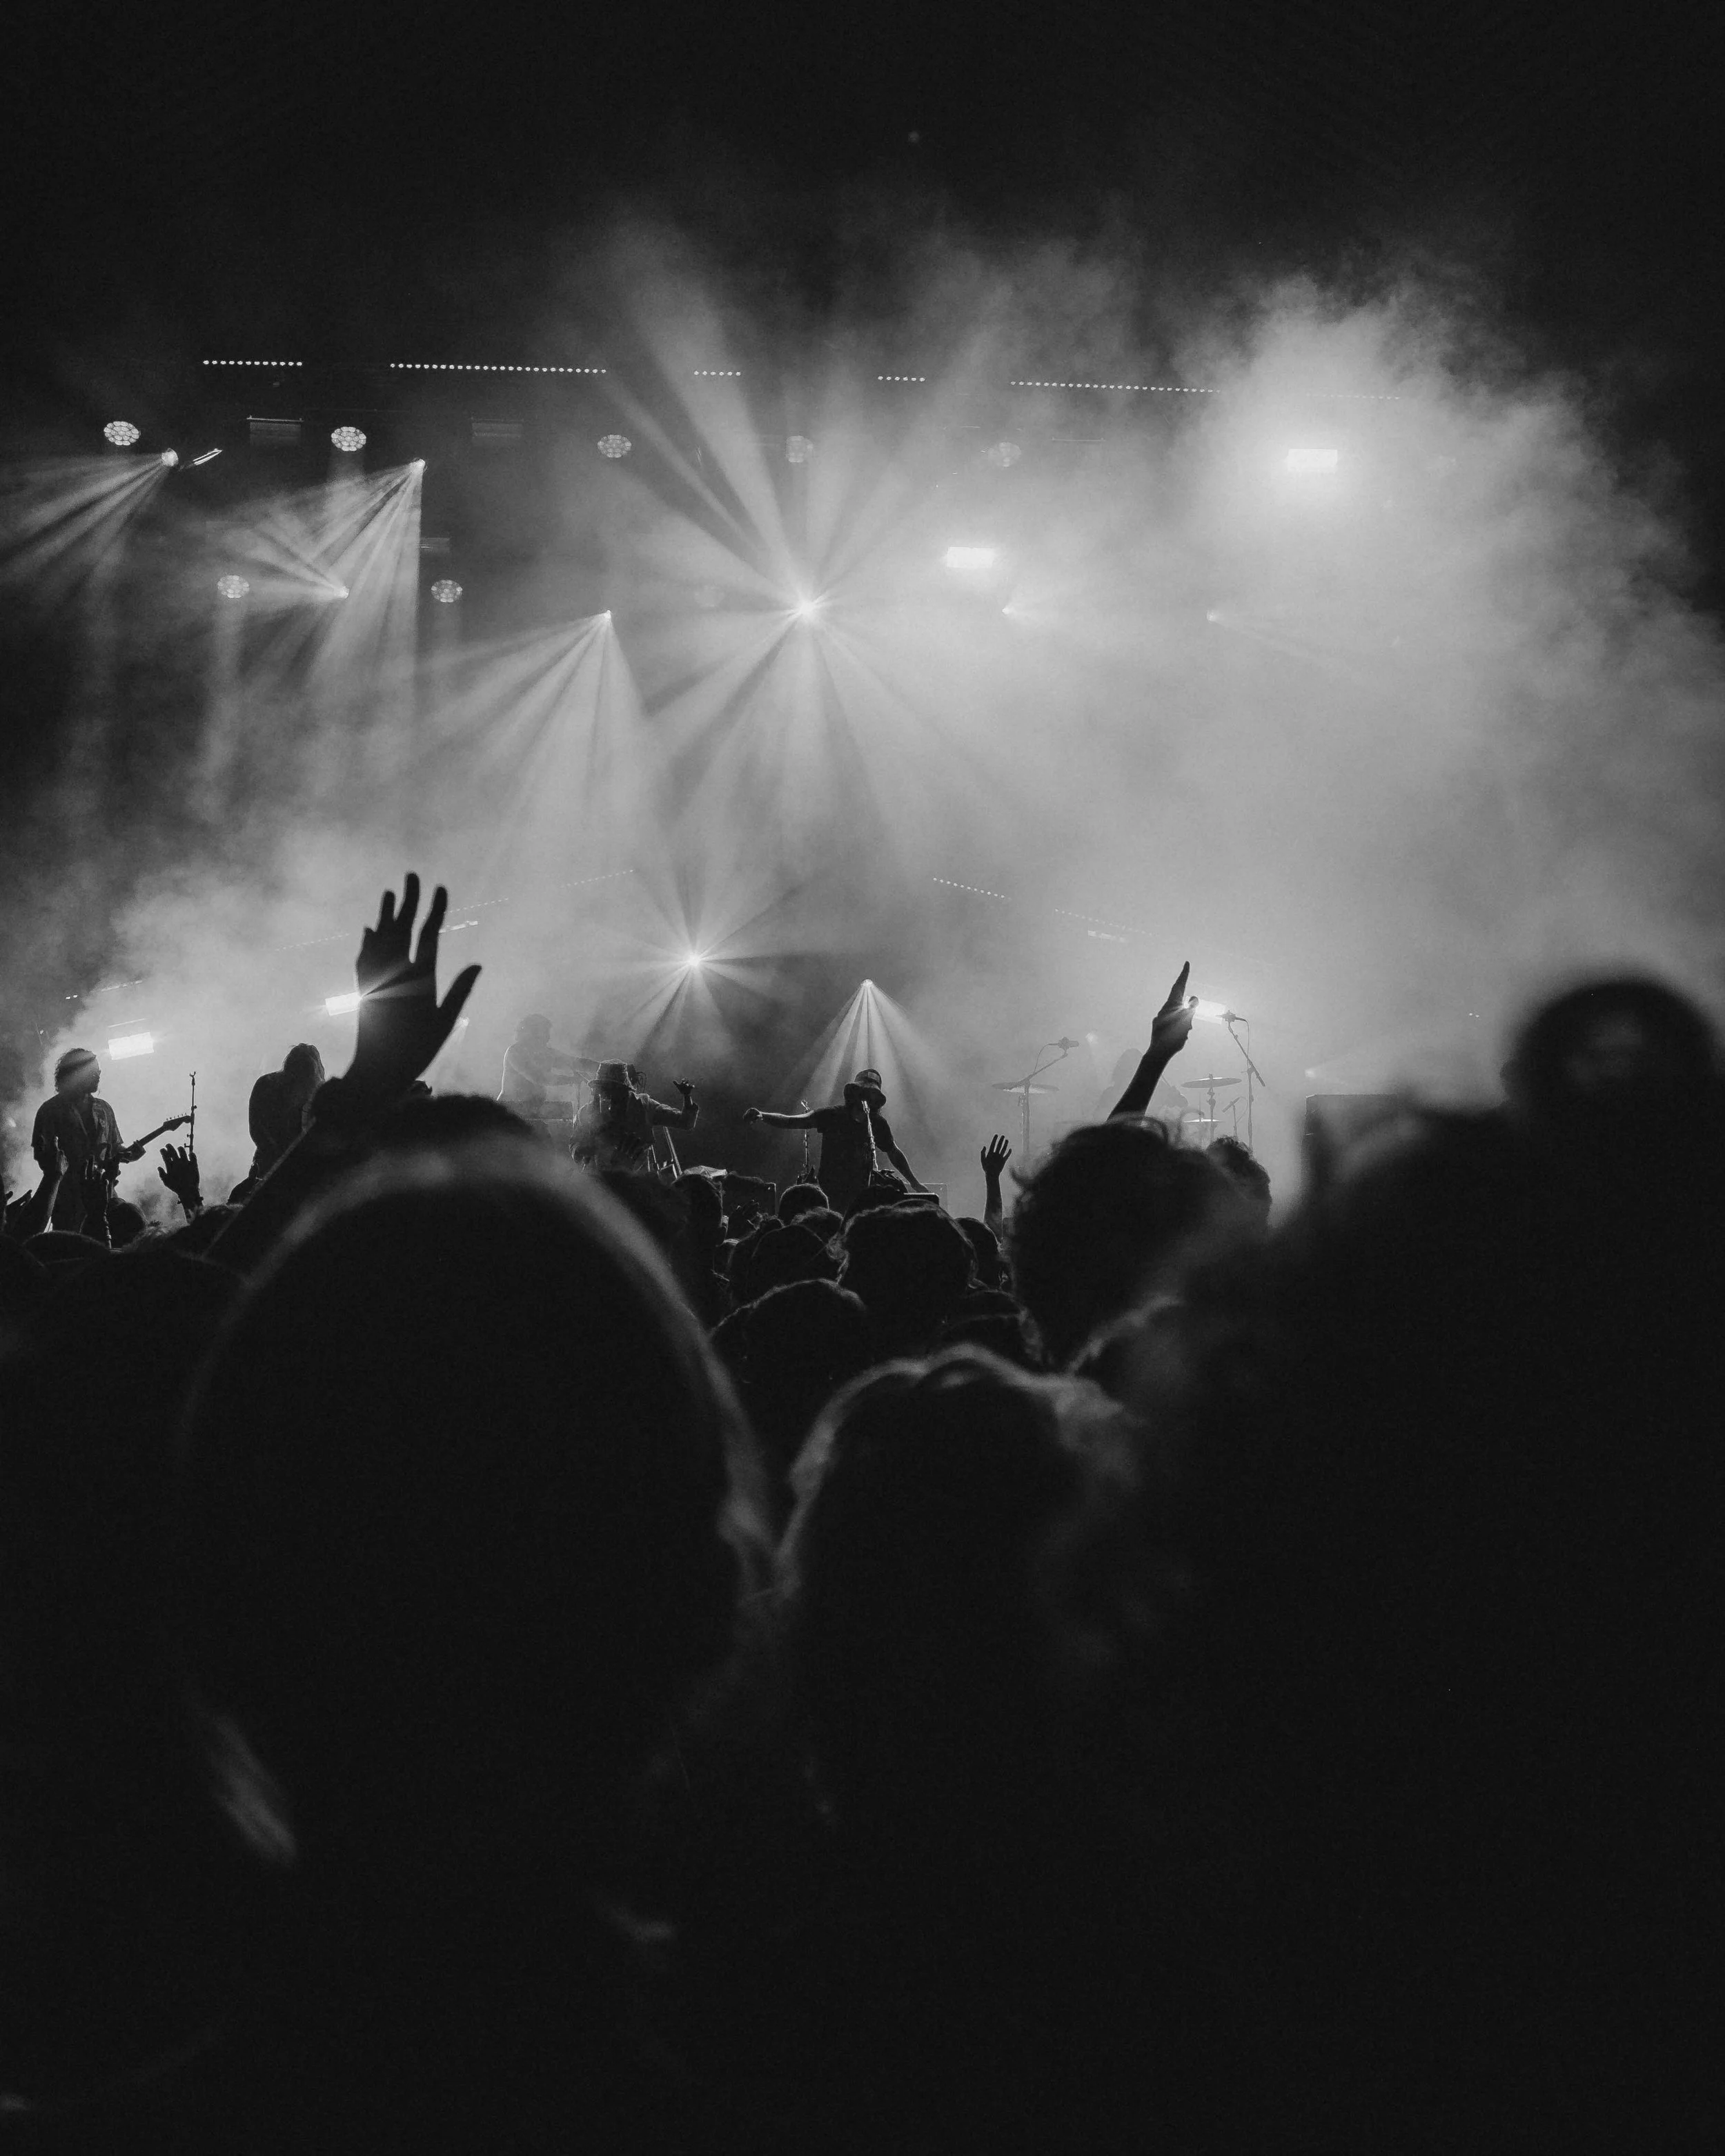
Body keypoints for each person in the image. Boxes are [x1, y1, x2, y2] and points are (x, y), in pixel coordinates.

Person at [743, 1069, 925, 1216]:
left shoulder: (877, 1124)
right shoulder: (832, 1115)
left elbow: (893, 1152)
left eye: (872, 1094)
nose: (867, 1098)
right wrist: (763, 1116)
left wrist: (915, 1184)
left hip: (861, 1196)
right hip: (831, 1193)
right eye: (864, 1092)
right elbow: (794, 1121)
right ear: (855, 1093)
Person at [31, 1048, 146, 1232]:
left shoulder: (104, 1109)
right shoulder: (50, 1110)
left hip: (104, 1196)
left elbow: (115, 1148)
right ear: (75, 1073)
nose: (98, 1076)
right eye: (93, 1072)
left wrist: (131, 1155)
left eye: (99, 1072)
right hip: (68, 1202)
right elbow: (43, 1156)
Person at [572, 1061, 698, 1174]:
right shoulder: (586, 1113)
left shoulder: (644, 1105)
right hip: (600, 1183)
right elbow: (575, 1147)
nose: (609, 1095)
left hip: (637, 1181)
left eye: (614, 1088)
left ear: (625, 1090)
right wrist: (586, 1147)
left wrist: (687, 1097)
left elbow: (685, 1122)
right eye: (605, 1088)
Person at [496, 1014, 595, 1144]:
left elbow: (576, 1063)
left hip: (533, 1112)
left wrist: (606, 1067)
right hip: (510, 1111)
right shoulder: (515, 1052)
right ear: (531, 1033)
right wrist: (570, 1080)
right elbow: (538, 1078)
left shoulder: (546, 1053)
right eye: (545, 1033)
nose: (548, 1038)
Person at [247, 1045, 326, 1178]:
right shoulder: (266, 1085)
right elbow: (257, 1131)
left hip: (280, 1167)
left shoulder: (266, 1084)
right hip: (272, 1167)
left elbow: (257, 1130)